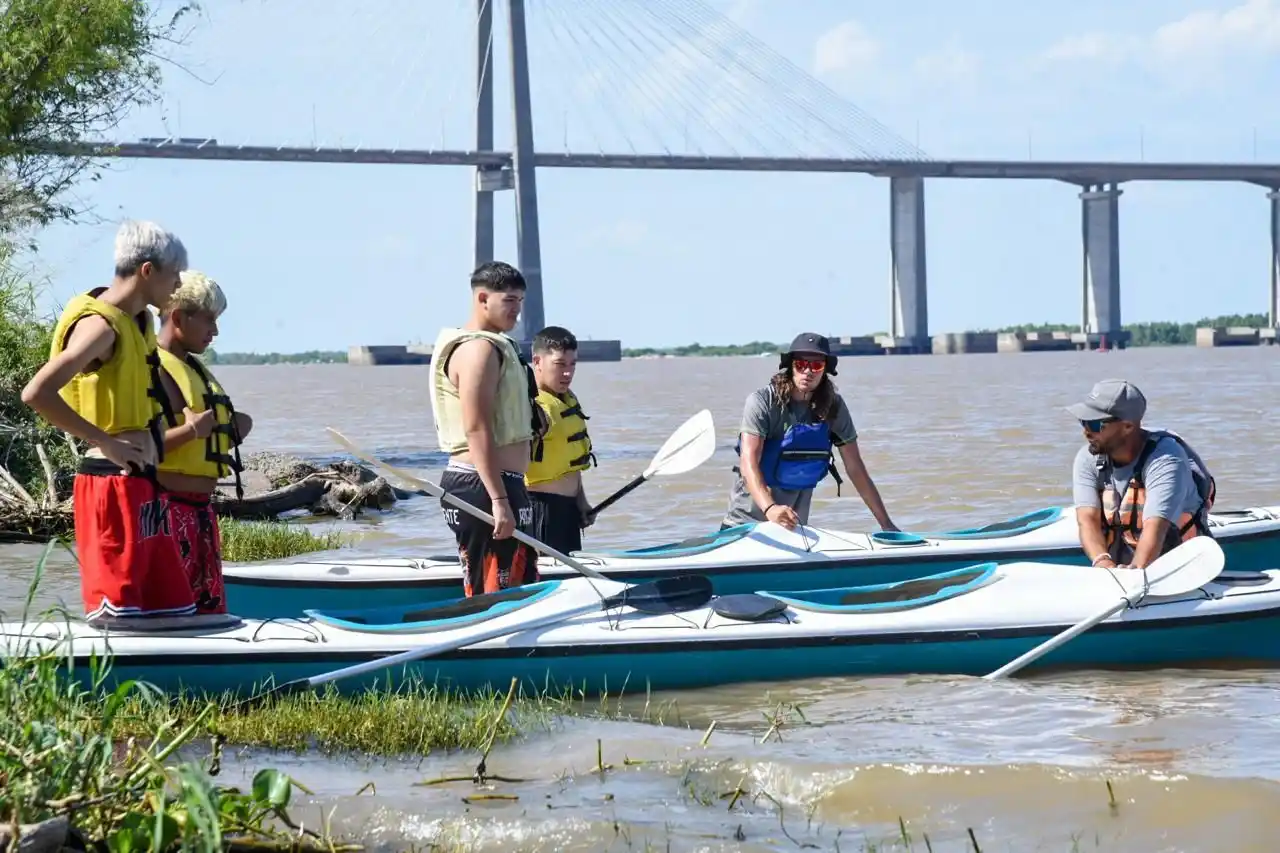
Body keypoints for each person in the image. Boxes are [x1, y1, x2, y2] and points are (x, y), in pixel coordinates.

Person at [20, 220, 192, 622]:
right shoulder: (100, 327)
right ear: (147, 271)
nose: (178, 284)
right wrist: (106, 441)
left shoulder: (137, 322)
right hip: (109, 485)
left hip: (144, 482)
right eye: (174, 275)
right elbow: (36, 393)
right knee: (119, 608)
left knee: (172, 605)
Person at [428, 261, 548, 597]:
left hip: (502, 484)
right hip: (480, 486)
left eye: (521, 301)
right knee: (493, 594)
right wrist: (498, 500)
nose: (517, 311)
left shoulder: (496, 346)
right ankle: (486, 644)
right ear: (483, 299)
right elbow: (475, 427)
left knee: (520, 585)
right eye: (509, 300)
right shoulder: (477, 349)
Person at [721, 332, 898, 533]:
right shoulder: (762, 402)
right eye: (801, 364)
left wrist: (886, 524)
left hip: (793, 529)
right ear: (791, 366)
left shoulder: (834, 407)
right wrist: (770, 509)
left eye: (816, 366)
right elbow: (748, 461)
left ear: (825, 370)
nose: (808, 371)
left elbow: (855, 467)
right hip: (743, 525)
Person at [154, 270, 254, 614]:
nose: (216, 330)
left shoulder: (192, 369)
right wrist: (192, 432)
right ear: (179, 317)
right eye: (209, 320)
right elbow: (134, 450)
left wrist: (231, 428)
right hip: (167, 514)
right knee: (172, 613)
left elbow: (212, 433)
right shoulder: (151, 368)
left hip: (200, 513)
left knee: (207, 612)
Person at [1068, 378, 1216, 570]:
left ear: (1128, 426)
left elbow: (1156, 527)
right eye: (1083, 422)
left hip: (1181, 568)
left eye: (1095, 425)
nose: (1087, 432)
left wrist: (1136, 573)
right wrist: (1104, 565)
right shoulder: (1088, 457)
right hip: (1121, 569)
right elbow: (1087, 519)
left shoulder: (1166, 459)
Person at [524, 325, 597, 554]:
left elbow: (567, 462)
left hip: (568, 510)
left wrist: (581, 501)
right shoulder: (531, 407)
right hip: (539, 512)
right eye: (559, 364)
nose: (568, 373)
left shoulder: (565, 399)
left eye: (572, 364)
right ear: (537, 362)